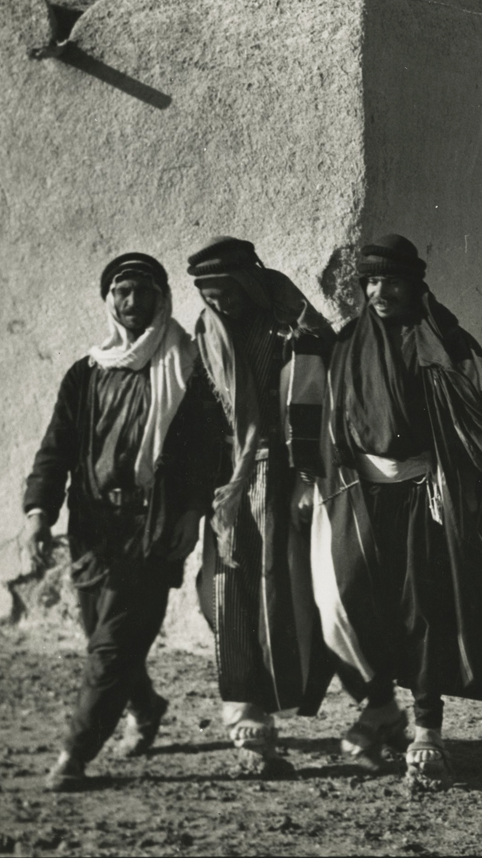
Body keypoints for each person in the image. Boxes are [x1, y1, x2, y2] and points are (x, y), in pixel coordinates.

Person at [311, 234, 482, 784]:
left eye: (391, 281)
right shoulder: (347, 344)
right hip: (361, 497)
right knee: (352, 599)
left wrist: (466, 489)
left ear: (415, 284)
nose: (380, 292)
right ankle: (379, 706)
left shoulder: (449, 344)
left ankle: (427, 730)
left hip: (428, 495)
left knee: (424, 609)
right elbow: (333, 420)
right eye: (371, 281)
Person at [21, 253, 220, 791]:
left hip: (152, 526)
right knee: (103, 637)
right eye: (122, 292)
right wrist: (39, 513)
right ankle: (147, 706)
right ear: (109, 301)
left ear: (161, 298)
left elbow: (206, 453)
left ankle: (74, 755)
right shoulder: (87, 373)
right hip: (93, 527)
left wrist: (192, 512)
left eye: (142, 291)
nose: (132, 302)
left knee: (112, 647)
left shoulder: (188, 368)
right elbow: (56, 449)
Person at [186, 236, 334, 776]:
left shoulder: (293, 327)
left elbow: (313, 405)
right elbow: (202, 414)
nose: (220, 302)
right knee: (226, 591)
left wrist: (305, 480)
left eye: (227, 290)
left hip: (283, 478)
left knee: (288, 597)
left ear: (248, 282)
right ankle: (245, 715)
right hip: (229, 484)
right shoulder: (206, 332)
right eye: (209, 293)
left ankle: (365, 710)